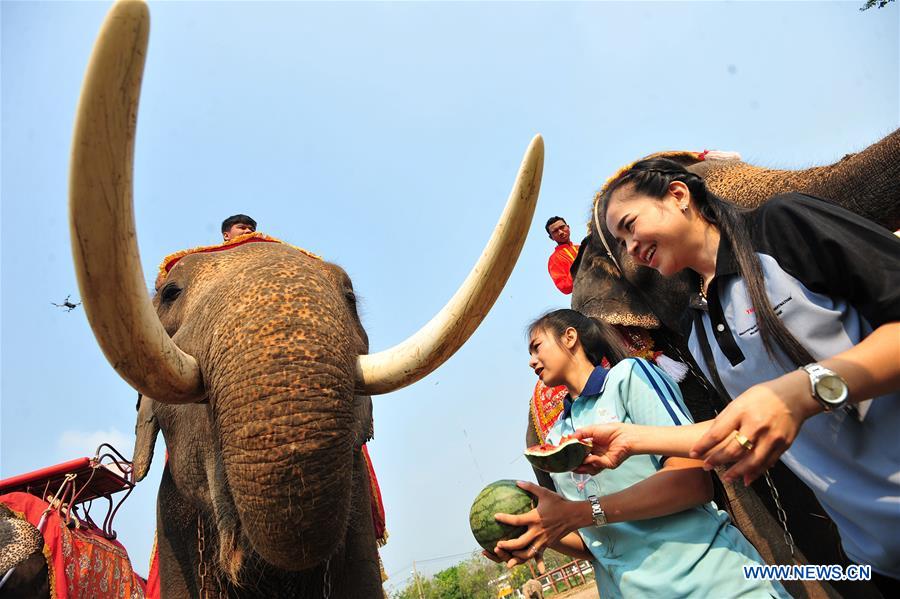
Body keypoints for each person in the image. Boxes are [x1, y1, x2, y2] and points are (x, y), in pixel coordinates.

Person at [574, 157, 900, 591]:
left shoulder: (781, 227)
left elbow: (786, 400)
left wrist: (803, 390)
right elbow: (739, 428)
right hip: (876, 558)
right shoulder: (696, 329)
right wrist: (631, 440)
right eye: (620, 243)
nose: (631, 247)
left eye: (631, 226)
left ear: (678, 195)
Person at [490, 309, 789, 599]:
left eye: (536, 347)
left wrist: (580, 513)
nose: (531, 362)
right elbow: (594, 542)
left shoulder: (629, 377)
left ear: (570, 337)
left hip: (709, 582)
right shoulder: (556, 436)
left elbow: (693, 482)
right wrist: (540, 533)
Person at [546, 217, 579, 294]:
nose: (560, 232)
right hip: (585, 299)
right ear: (551, 237)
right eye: (555, 231)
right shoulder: (554, 259)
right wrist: (580, 264)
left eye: (562, 227)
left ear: (568, 227)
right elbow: (565, 288)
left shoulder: (582, 247)